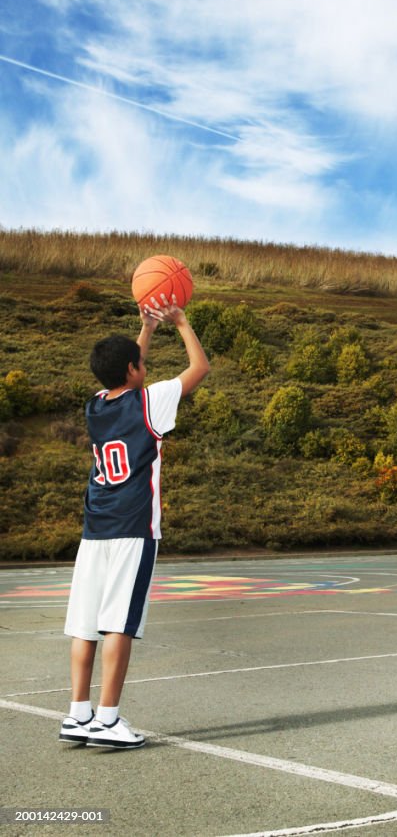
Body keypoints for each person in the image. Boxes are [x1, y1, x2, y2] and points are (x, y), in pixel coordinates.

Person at [60, 296, 209, 750]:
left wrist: (145, 329)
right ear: (132, 370)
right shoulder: (150, 402)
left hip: (95, 529)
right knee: (118, 626)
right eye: (138, 362)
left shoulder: (95, 406)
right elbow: (199, 369)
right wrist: (180, 323)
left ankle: (77, 714)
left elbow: (125, 368)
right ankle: (108, 721)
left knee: (85, 626)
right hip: (132, 529)